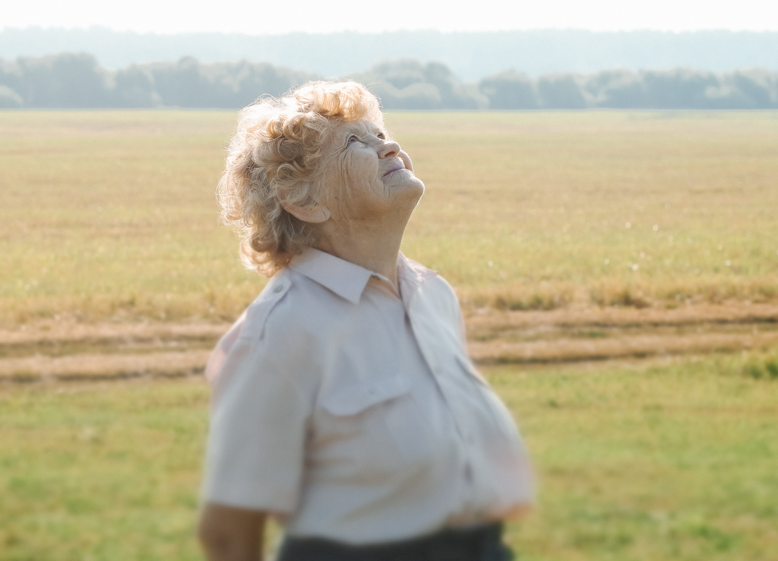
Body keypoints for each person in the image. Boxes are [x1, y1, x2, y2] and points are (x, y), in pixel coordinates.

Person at [198, 81, 534, 561]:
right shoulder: (278, 334)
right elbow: (228, 534)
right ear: (303, 200)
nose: (389, 146)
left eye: (380, 134)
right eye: (356, 143)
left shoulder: (433, 295)